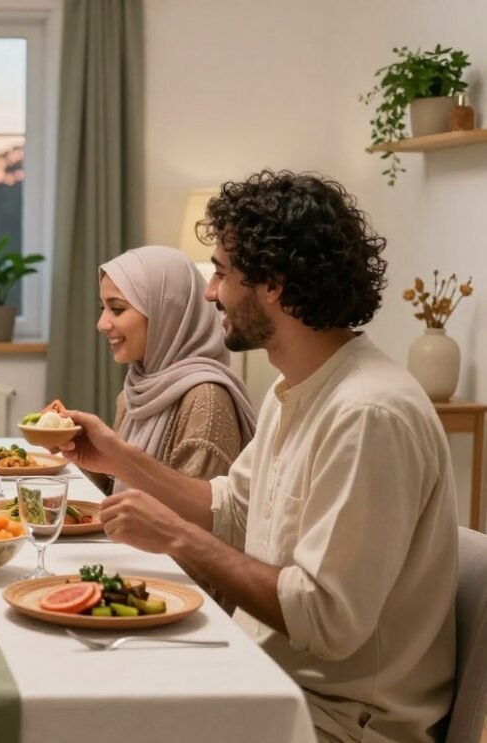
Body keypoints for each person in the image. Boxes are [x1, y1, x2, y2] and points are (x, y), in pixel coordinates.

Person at [59, 171, 457, 743]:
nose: (209, 292)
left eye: (221, 271)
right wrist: (118, 458)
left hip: (337, 720)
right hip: (263, 675)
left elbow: (325, 619)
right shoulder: (292, 387)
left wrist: (174, 536)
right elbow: (230, 508)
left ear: (271, 282)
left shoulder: (368, 412)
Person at [53, 245, 257, 492]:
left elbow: (198, 519)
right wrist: (77, 450)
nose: (102, 324)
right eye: (102, 309)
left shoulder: (207, 399)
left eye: (117, 309)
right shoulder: (136, 390)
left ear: (166, 314)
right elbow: (118, 487)